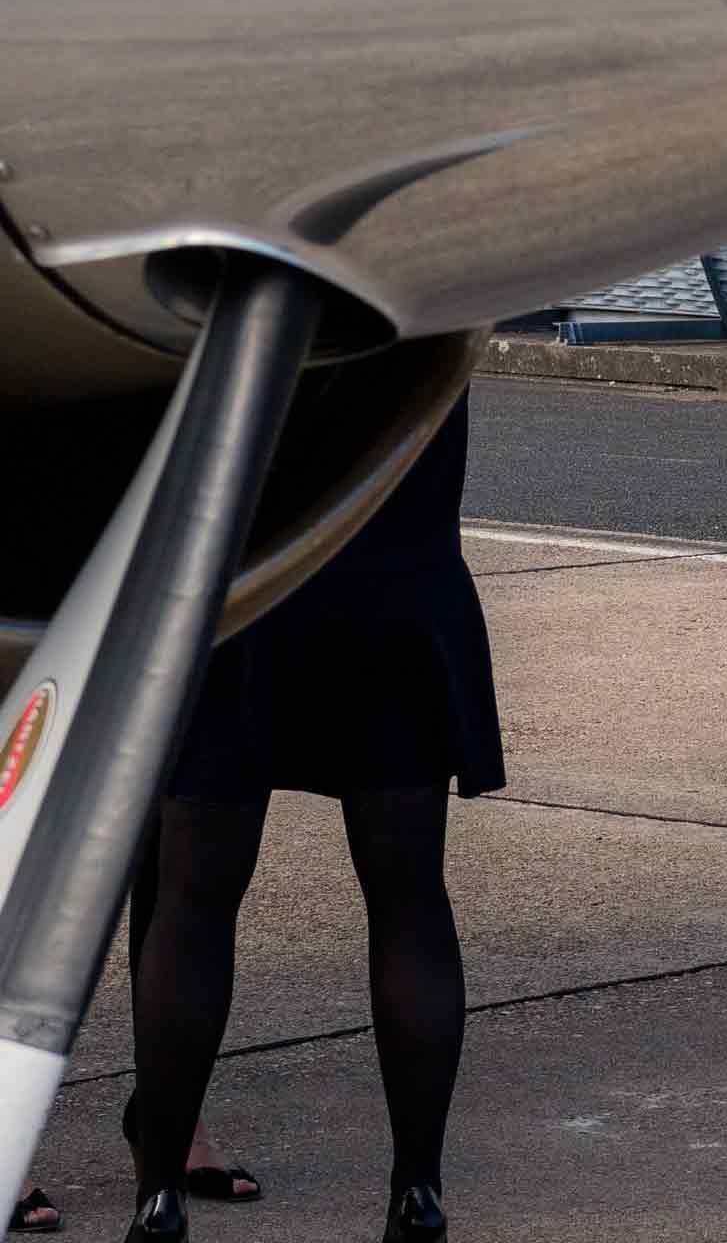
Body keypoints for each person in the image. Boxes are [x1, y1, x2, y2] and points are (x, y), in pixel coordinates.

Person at [121, 395, 501, 1243]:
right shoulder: (433, 262)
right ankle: (417, 1191)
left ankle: (159, 1198)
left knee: (194, 895)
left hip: (243, 581)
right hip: (396, 587)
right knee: (407, 893)